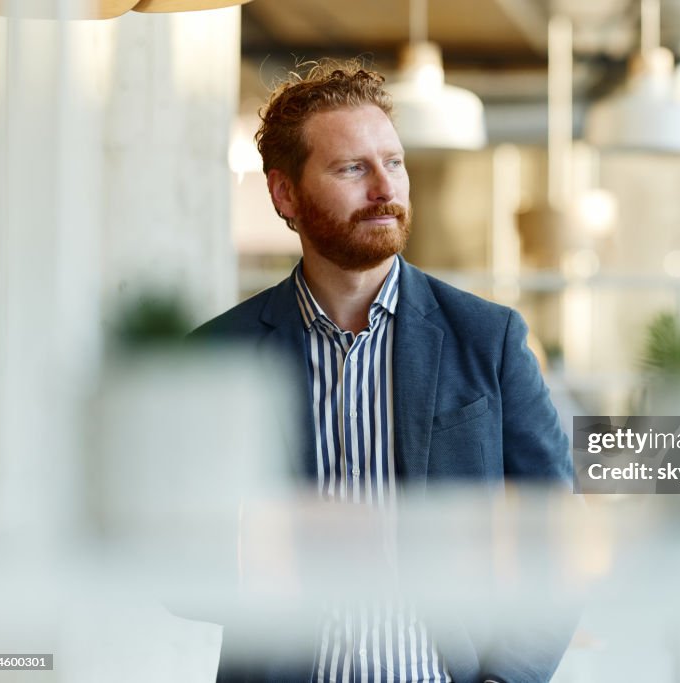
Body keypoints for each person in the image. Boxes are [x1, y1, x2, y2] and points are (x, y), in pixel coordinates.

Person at [192, 59, 576, 683]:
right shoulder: (218, 357)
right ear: (285, 192)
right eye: (352, 168)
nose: (385, 189)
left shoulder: (489, 338)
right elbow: (172, 562)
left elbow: (556, 536)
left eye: (393, 163)